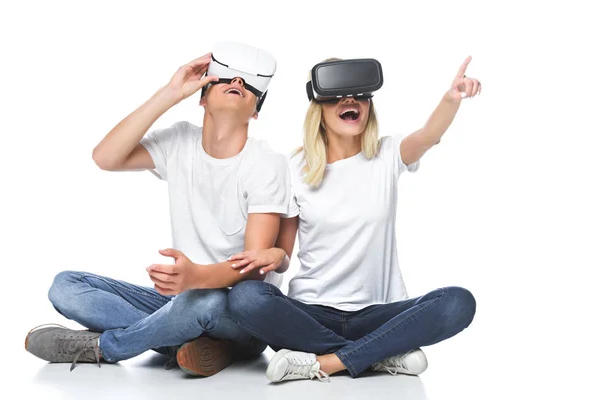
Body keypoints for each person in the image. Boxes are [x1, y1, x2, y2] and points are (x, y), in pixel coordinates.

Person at [24, 43, 290, 377]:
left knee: (205, 303)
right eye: (225, 79)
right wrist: (169, 93)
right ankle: (187, 343)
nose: (237, 81)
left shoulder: (267, 163)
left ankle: (105, 347)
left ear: (255, 111)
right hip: (177, 302)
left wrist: (198, 278)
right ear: (202, 96)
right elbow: (106, 157)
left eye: (249, 85)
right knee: (65, 286)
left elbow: (255, 269)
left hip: (236, 312)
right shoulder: (179, 141)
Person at [226, 56, 481, 382]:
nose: (350, 100)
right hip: (312, 314)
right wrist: (271, 255)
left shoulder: (388, 155)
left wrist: (451, 98)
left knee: (458, 302)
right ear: (318, 105)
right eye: (337, 95)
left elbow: (429, 135)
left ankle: (327, 362)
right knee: (245, 299)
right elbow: (284, 256)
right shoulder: (294, 168)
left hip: (380, 312)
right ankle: (380, 354)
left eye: (359, 94)